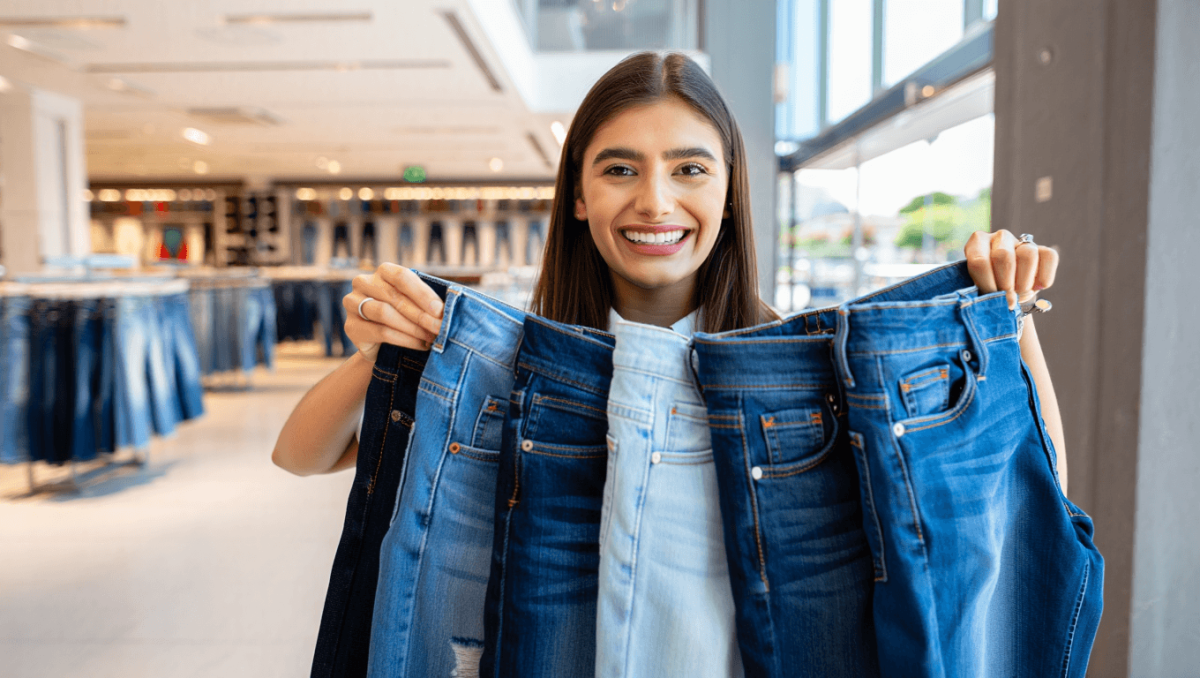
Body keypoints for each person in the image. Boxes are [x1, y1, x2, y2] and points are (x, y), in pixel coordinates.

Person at [272, 51, 1066, 493]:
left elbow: (1038, 481)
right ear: (577, 196)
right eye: (620, 169)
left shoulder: (806, 368)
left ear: (727, 192)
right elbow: (303, 454)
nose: (655, 202)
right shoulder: (513, 362)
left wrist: (1008, 325)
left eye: (690, 170)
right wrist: (382, 351)